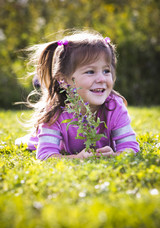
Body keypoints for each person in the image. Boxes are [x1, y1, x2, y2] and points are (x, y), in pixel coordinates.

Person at [15, 30, 139, 160]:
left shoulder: (114, 106)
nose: (101, 79)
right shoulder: (55, 112)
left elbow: (131, 148)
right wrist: (76, 158)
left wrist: (114, 155)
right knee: (31, 144)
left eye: (106, 71)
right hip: (61, 145)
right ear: (63, 80)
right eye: (90, 72)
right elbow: (45, 155)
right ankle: (29, 139)